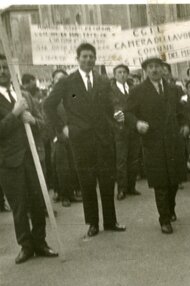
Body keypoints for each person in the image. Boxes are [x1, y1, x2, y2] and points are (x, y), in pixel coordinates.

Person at [44, 43, 126, 237]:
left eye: (91, 57)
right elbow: (48, 105)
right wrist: (63, 128)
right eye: (84, 56)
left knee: (107, 181)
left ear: (95, 59)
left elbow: (111, 105)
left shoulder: (103, 81)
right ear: (77, 59)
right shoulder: (67, 82)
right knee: (87, 182)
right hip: (80, 140)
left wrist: (117, 115)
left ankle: (110, 221)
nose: (88, 60)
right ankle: (92, 223)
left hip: (103, 139)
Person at [0, 54, 58, 264]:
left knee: (38, 202)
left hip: (33, 158)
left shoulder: (24, 95)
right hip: (9, 162)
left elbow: (45, 124)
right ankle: (26, 246)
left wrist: (32, 120)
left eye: (5, 67)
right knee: (19, 206)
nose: (2, 71)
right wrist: (15, 114)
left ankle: (40, 241)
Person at [125, 57, 190, 234]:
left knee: (174, 180)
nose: (154, 70)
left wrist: (184, 125)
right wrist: (137, 123)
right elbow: (128, 113)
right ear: (145, 70)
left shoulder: (173, 89)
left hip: (173, 140)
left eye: (157, 67)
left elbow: (182, 111)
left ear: (163, 69)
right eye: (150, 67)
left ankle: (170, 207)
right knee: (160, 181)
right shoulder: (138, 90)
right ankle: (164, 219)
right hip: (152, 141)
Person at [50, 69, 81, 207]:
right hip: (59, 138)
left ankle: (72, 193)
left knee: (73, 166)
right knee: (62, 169)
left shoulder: (72, 95)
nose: (61, 81)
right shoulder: (51, 97)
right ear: (53, 81)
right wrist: (57, 135)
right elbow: (48, 118)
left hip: (73, 136)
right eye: (58, 79)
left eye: (63, 78)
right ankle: (64, 196)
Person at [111, 64, 141, 201]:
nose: (122, 75)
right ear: (115, 74)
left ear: (128, 74)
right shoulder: (111, 90)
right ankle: (121, 189)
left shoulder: (133, 90)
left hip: (133, 128)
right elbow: (109, 107)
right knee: (121, 160)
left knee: (134, 158)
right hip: (120, 129)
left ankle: (131, 186)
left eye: (124, 72)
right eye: (119, 72)